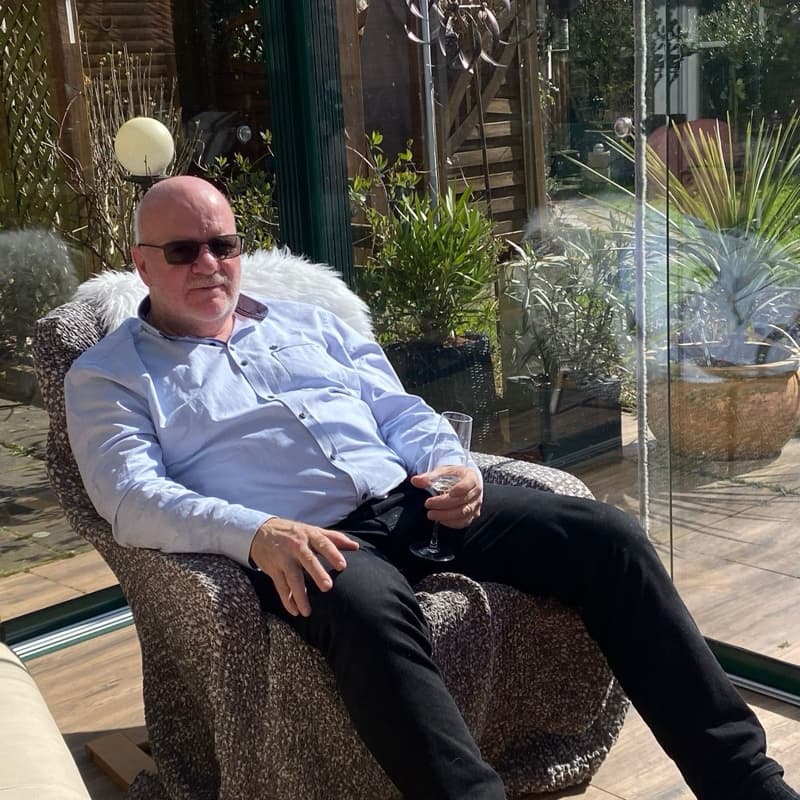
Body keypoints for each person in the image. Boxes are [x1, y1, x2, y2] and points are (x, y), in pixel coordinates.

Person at [64, 176, 798, 800]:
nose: (209, 264)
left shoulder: (309, 324)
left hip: (411, 498)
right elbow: (129, 497)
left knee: (608, 539)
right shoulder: (109, 375)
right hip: (305, 541)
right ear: (140, 263)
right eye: (183, 251)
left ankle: (746, 783)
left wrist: (453, 464)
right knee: (370, 613)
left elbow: (398, 410)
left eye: (223, 245)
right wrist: (255, 533)